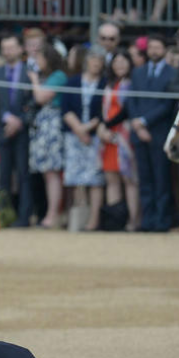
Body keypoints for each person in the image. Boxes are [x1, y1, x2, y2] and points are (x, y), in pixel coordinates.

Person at [128, 34, 175, 233]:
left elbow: (167, 105)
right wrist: (138, 124)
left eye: (158, 47)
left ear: (164, 50)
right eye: (151, 47)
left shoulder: (172, 73)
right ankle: (147, 221)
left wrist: (145, 122)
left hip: (159, 132)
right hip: (139, 134)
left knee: (162, 179)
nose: (154, 51)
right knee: (145, 180)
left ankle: (162, 221)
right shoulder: (138, 72)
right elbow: (131, 100)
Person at [61, 47, 106, 232]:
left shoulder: (105, 83)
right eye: (93, 60)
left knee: (95, 179)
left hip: (95, 137)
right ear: (86, 61)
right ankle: (79, 218)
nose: (95, 64)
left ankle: (93, 220)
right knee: (76, 179)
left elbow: (104, 111)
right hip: (73, 136)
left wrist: (87, 129)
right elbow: (65, 108)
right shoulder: (73, 81)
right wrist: (79, 130)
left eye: (99, 61)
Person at [0, 35, 33, 227]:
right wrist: (7, 119)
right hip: (2, 130)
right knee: (3, 176)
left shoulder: (30, 72)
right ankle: (4, 215)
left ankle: (24, 217)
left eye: (11, 47)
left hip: (24, 132)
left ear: (20, 49)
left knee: (24, 175)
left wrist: (20, 122)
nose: (8, 52)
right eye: (4, 48)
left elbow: (34, 103)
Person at [28, 43, 67, 229]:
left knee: (51, 172)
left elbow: (41, 97)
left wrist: (34, 80)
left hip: (52, 122)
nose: (36, 62)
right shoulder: (50, 76)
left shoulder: (58, 76)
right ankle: (50, 213)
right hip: (44, 123)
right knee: (46, 172)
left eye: (39, 58)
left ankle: (53, 214)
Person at [99, 50, 140, 231]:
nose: (120, 65)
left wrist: (106, 125)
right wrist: (103, 128)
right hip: (108, 137)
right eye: (117, 62)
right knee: (112, 178)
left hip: (125, 136)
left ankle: (133, 220)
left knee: (129, 180)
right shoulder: (109, 84)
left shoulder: (132, 84)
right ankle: (114, 221)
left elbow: (127, 110)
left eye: (124, 61)